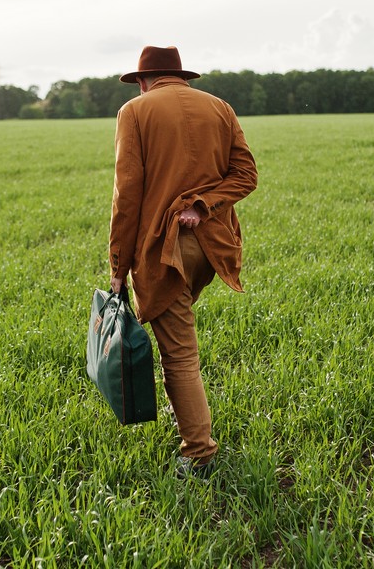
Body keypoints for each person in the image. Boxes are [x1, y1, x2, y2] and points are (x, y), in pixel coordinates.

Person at [109, 45, 259, 480]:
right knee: (180, 339)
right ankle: (189, 423)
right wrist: (203, 202)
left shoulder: (134, 112)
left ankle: (198, 452)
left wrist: (118, 266)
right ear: (182, 76)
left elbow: (127, 196)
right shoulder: (220, 107)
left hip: (165, 250)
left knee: (178, 354)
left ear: (143, 80)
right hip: (213, 246)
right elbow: (246, 175)